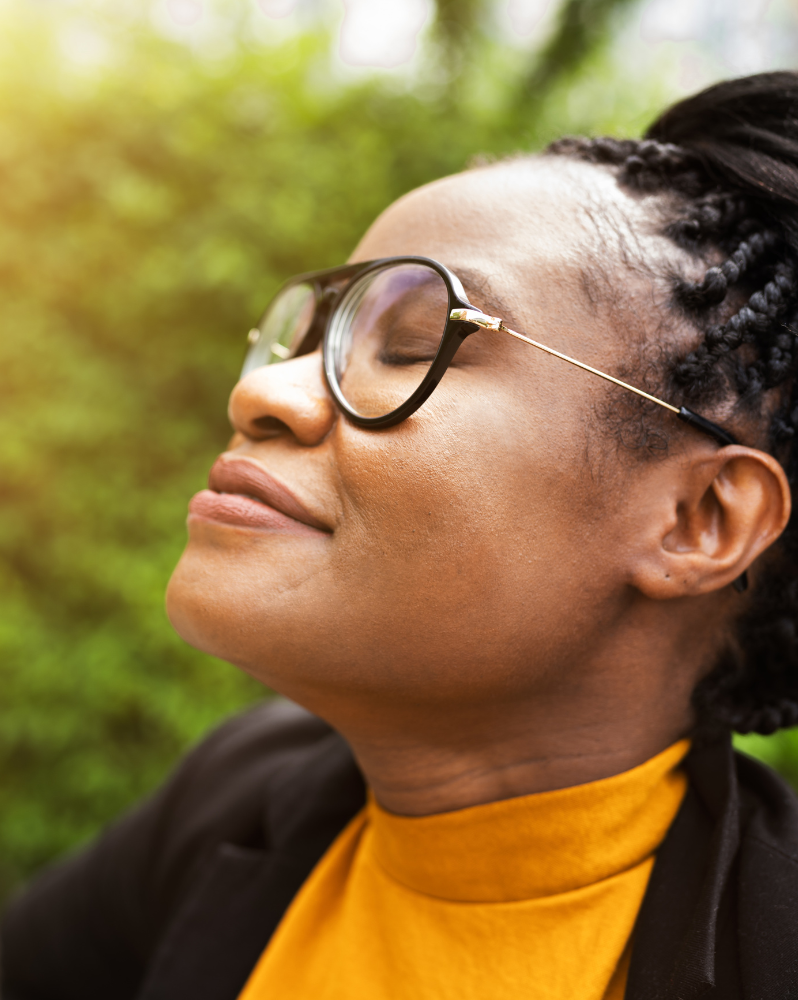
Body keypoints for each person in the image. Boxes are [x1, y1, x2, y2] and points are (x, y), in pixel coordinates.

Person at [4, 70, 798, 1000]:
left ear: (698, 522)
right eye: (310, 335)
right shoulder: (239, 792)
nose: (262, 392)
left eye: (417, 345)